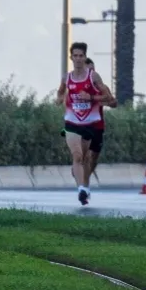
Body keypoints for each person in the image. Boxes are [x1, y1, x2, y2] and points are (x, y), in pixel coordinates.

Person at [59, 43, 116, 205]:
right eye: (75, 56)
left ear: (84, 57)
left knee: (89, 159)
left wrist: (91, 98)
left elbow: (111, 100)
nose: (78, 59)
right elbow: (61, 91)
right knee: (78, 156)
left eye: (81, 56)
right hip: (72, 121)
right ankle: (82, 189)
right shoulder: (66, 77)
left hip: (93, 124)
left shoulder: (95, 78)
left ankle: (85, 184)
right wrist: (60, 99)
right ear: (71, 57)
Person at [83, 58, 109, 183]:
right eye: (89, 70)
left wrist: (100, 101)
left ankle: (86, 177)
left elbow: (113, 102)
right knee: (85, 155)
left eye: (93, 70)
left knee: (94, 157)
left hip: (98, 126)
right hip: (82, 126)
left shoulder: (102, 88)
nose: (92, 73)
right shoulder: (78, 88)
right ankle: (83, 180)